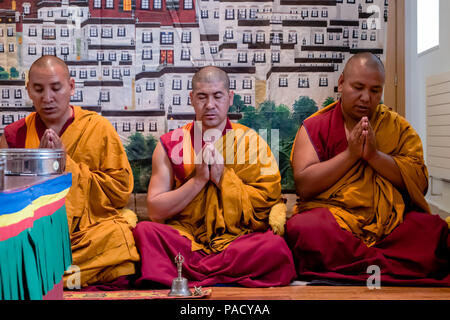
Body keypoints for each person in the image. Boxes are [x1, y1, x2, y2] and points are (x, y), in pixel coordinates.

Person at [286, 52, 450, 286]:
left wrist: (374, 156)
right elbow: (305, 186)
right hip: (337, 221)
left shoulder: (396, 126)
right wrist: (351, 154)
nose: (366, 98)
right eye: (358, 87)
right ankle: (389, 267)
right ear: (342, 83)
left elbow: (418, 185)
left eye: (375, 91)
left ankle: (355, 266)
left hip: (388, 225)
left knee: (433, 230)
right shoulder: (315, 126)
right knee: (303, 229)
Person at [132, 66, 296, 288]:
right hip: (187, 238)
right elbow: (155, 210)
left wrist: (223, 178)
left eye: (217, 96)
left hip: (236, 239)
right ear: (191, 98)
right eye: (202, 97)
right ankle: (223, 274)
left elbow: (266, 203)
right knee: (145, 232)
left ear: (229, 98)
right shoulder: (171, 144)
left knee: (274, 249)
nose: (210, 104)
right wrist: (198, 180)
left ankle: (188, 274)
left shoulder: (251, 142)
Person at [0, 55, 140, 288]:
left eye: (56, 88)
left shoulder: (97, 127)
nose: (47, 98)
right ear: (28, 91)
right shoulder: (16, 135)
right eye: (38, 89)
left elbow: (119, 192)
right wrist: (41, 168)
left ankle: (42, 276)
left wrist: (66, 164)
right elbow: (5, 196)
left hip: (89, 232)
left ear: (71, 86)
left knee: (117, 234)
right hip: (36, 232)